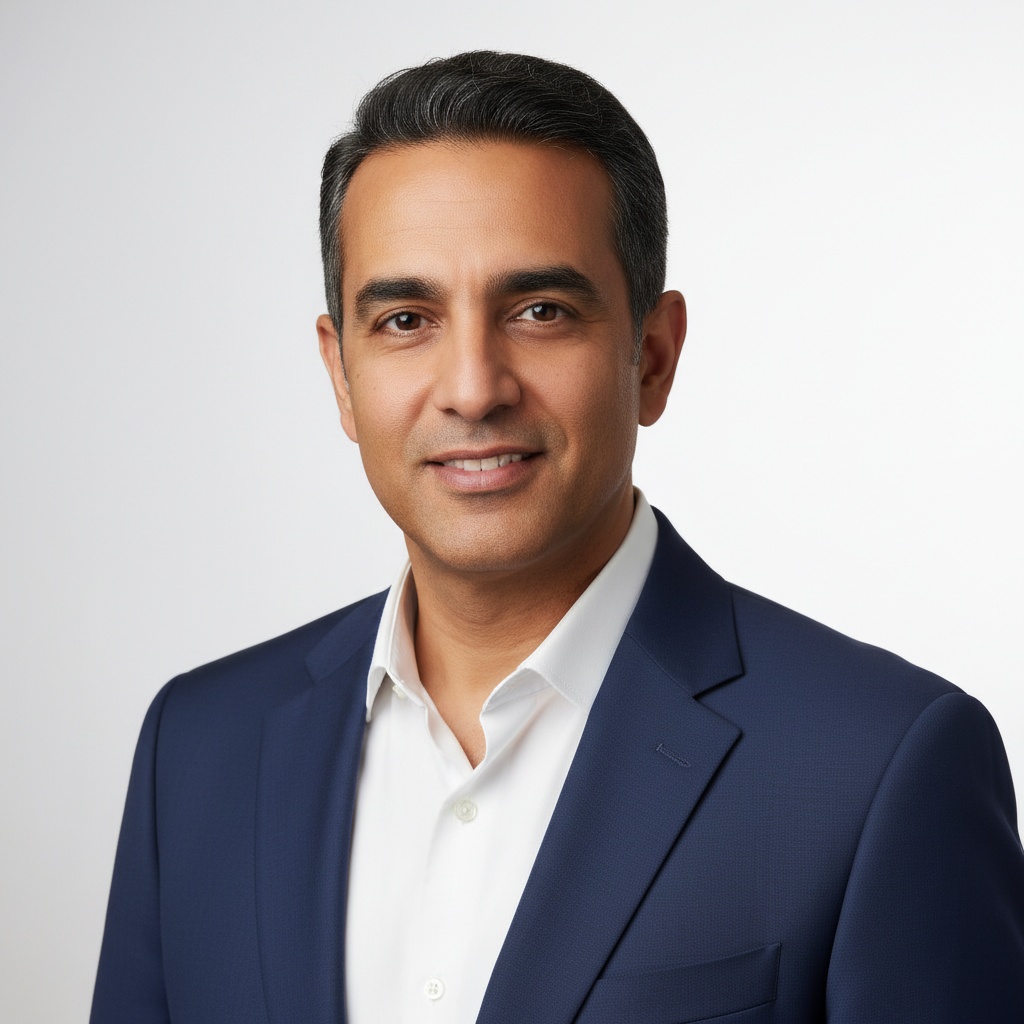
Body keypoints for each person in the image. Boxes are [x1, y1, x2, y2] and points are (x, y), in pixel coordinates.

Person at [90, 50, 1024, 1023]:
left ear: (651, 356)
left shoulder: (876, 765)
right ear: (341, 376)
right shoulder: (197, 747)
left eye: (540, 311)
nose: (472, 386)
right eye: (406, 318)